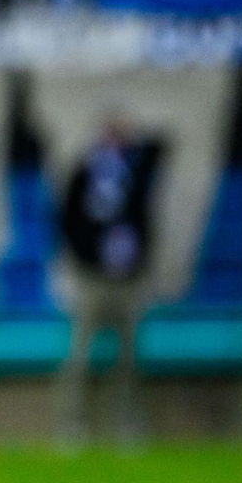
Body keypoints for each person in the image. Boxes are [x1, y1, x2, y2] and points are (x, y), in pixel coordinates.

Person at [55, 113, 165, 447]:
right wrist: (84, 256)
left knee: (130, 359)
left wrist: (140, 260)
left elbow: (160, 149)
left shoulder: (134, 173)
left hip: (127, 278)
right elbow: (66, 217)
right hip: (93, 276)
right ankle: (72, 427)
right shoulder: (86, 171)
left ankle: (129, 427)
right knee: (79, 355)